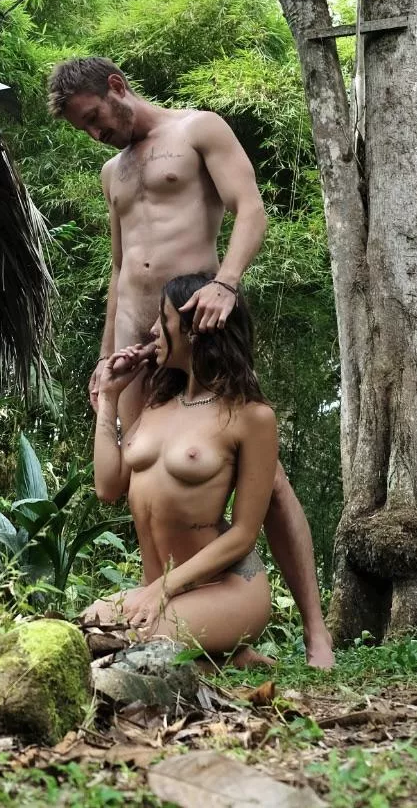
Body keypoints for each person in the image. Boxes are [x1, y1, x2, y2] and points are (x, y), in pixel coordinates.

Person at [49, 55, 334, 668]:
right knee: (135, 471)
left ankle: (315, 630)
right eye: (85, 129)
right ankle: (180, 617)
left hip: (196, 326)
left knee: (267, 478)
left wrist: (227, 283)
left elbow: (249, 208)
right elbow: (120, 269)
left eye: (96, 117)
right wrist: (106, 364)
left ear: (118, 88)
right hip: (138, 341)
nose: (97, 133)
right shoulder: (111, 172)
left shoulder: (198, 129)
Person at [84, 272, 275, 654]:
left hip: (228, 588)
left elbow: (243, 534)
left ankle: (229, 656)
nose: (153, 329)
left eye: (163, 318)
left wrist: (161, 589)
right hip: (160, 592)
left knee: (130, 646)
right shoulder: (156, 406)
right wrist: (108, 398)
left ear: (193, 330)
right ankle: (229, 658)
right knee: (87, 629)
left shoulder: (251, 417)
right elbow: (107, 487)